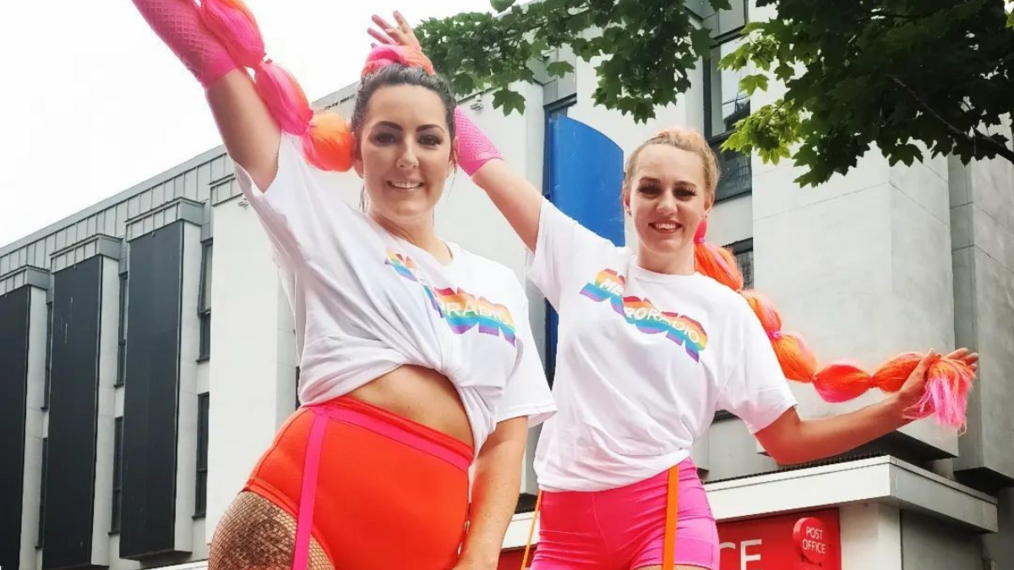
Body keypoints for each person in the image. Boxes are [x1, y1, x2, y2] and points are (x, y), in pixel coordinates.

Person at [367, 14, 979, 570]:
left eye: (684, 193)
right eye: (650, 189)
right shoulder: (580, 259)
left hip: (662, 520)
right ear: (625, 198)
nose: (666, 205)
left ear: (706, 206)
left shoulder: (725, 315)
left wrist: (895, 410)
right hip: (562, 530)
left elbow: (786, 440)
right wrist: (430, 83)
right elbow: (487, 167)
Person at [128, 2, 556, 570]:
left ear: (453, 157)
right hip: (300, 519)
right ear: (355, 152)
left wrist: (478, 559)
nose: (408, 157)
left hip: (430, 547)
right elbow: (211, 61)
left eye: (429, 139)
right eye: (386, 137)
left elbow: (506, 440)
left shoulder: (498, 282)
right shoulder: (320, 227)